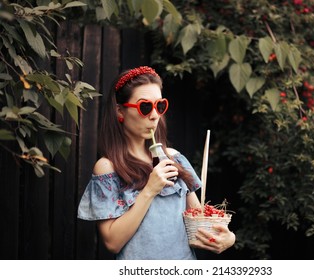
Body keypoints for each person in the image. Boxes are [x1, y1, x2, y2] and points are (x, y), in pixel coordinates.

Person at [77, 66, 235, 260]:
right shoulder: (108, 167)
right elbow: (112, 242)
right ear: (120, 111)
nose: (154, 116)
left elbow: (199, 223)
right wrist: (150, 189)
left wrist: (228, 238)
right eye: (145, 107)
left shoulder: (175, 158)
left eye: (159, 106)